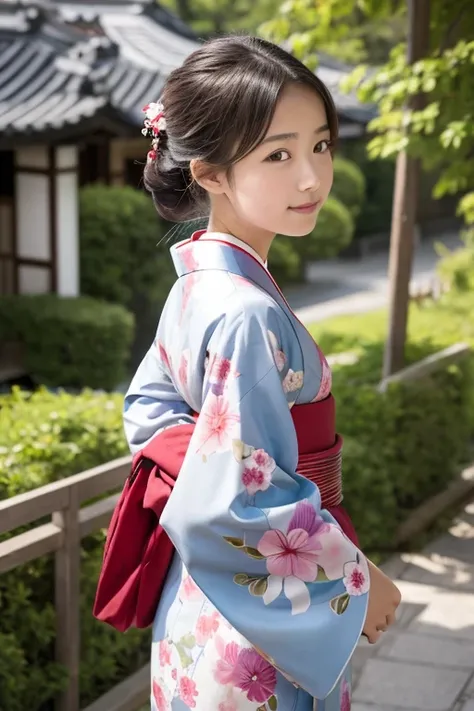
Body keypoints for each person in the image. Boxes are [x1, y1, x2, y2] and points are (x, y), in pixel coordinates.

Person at [123, 35, 401, 711]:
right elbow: (239, 498)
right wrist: (354, 579)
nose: (311, 176)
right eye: (278, 153)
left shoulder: (195, 285)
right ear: (211, 171)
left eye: (321, 145)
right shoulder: (244, 311)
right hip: (257, 631)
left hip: (204, 600)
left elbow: (148, 416)